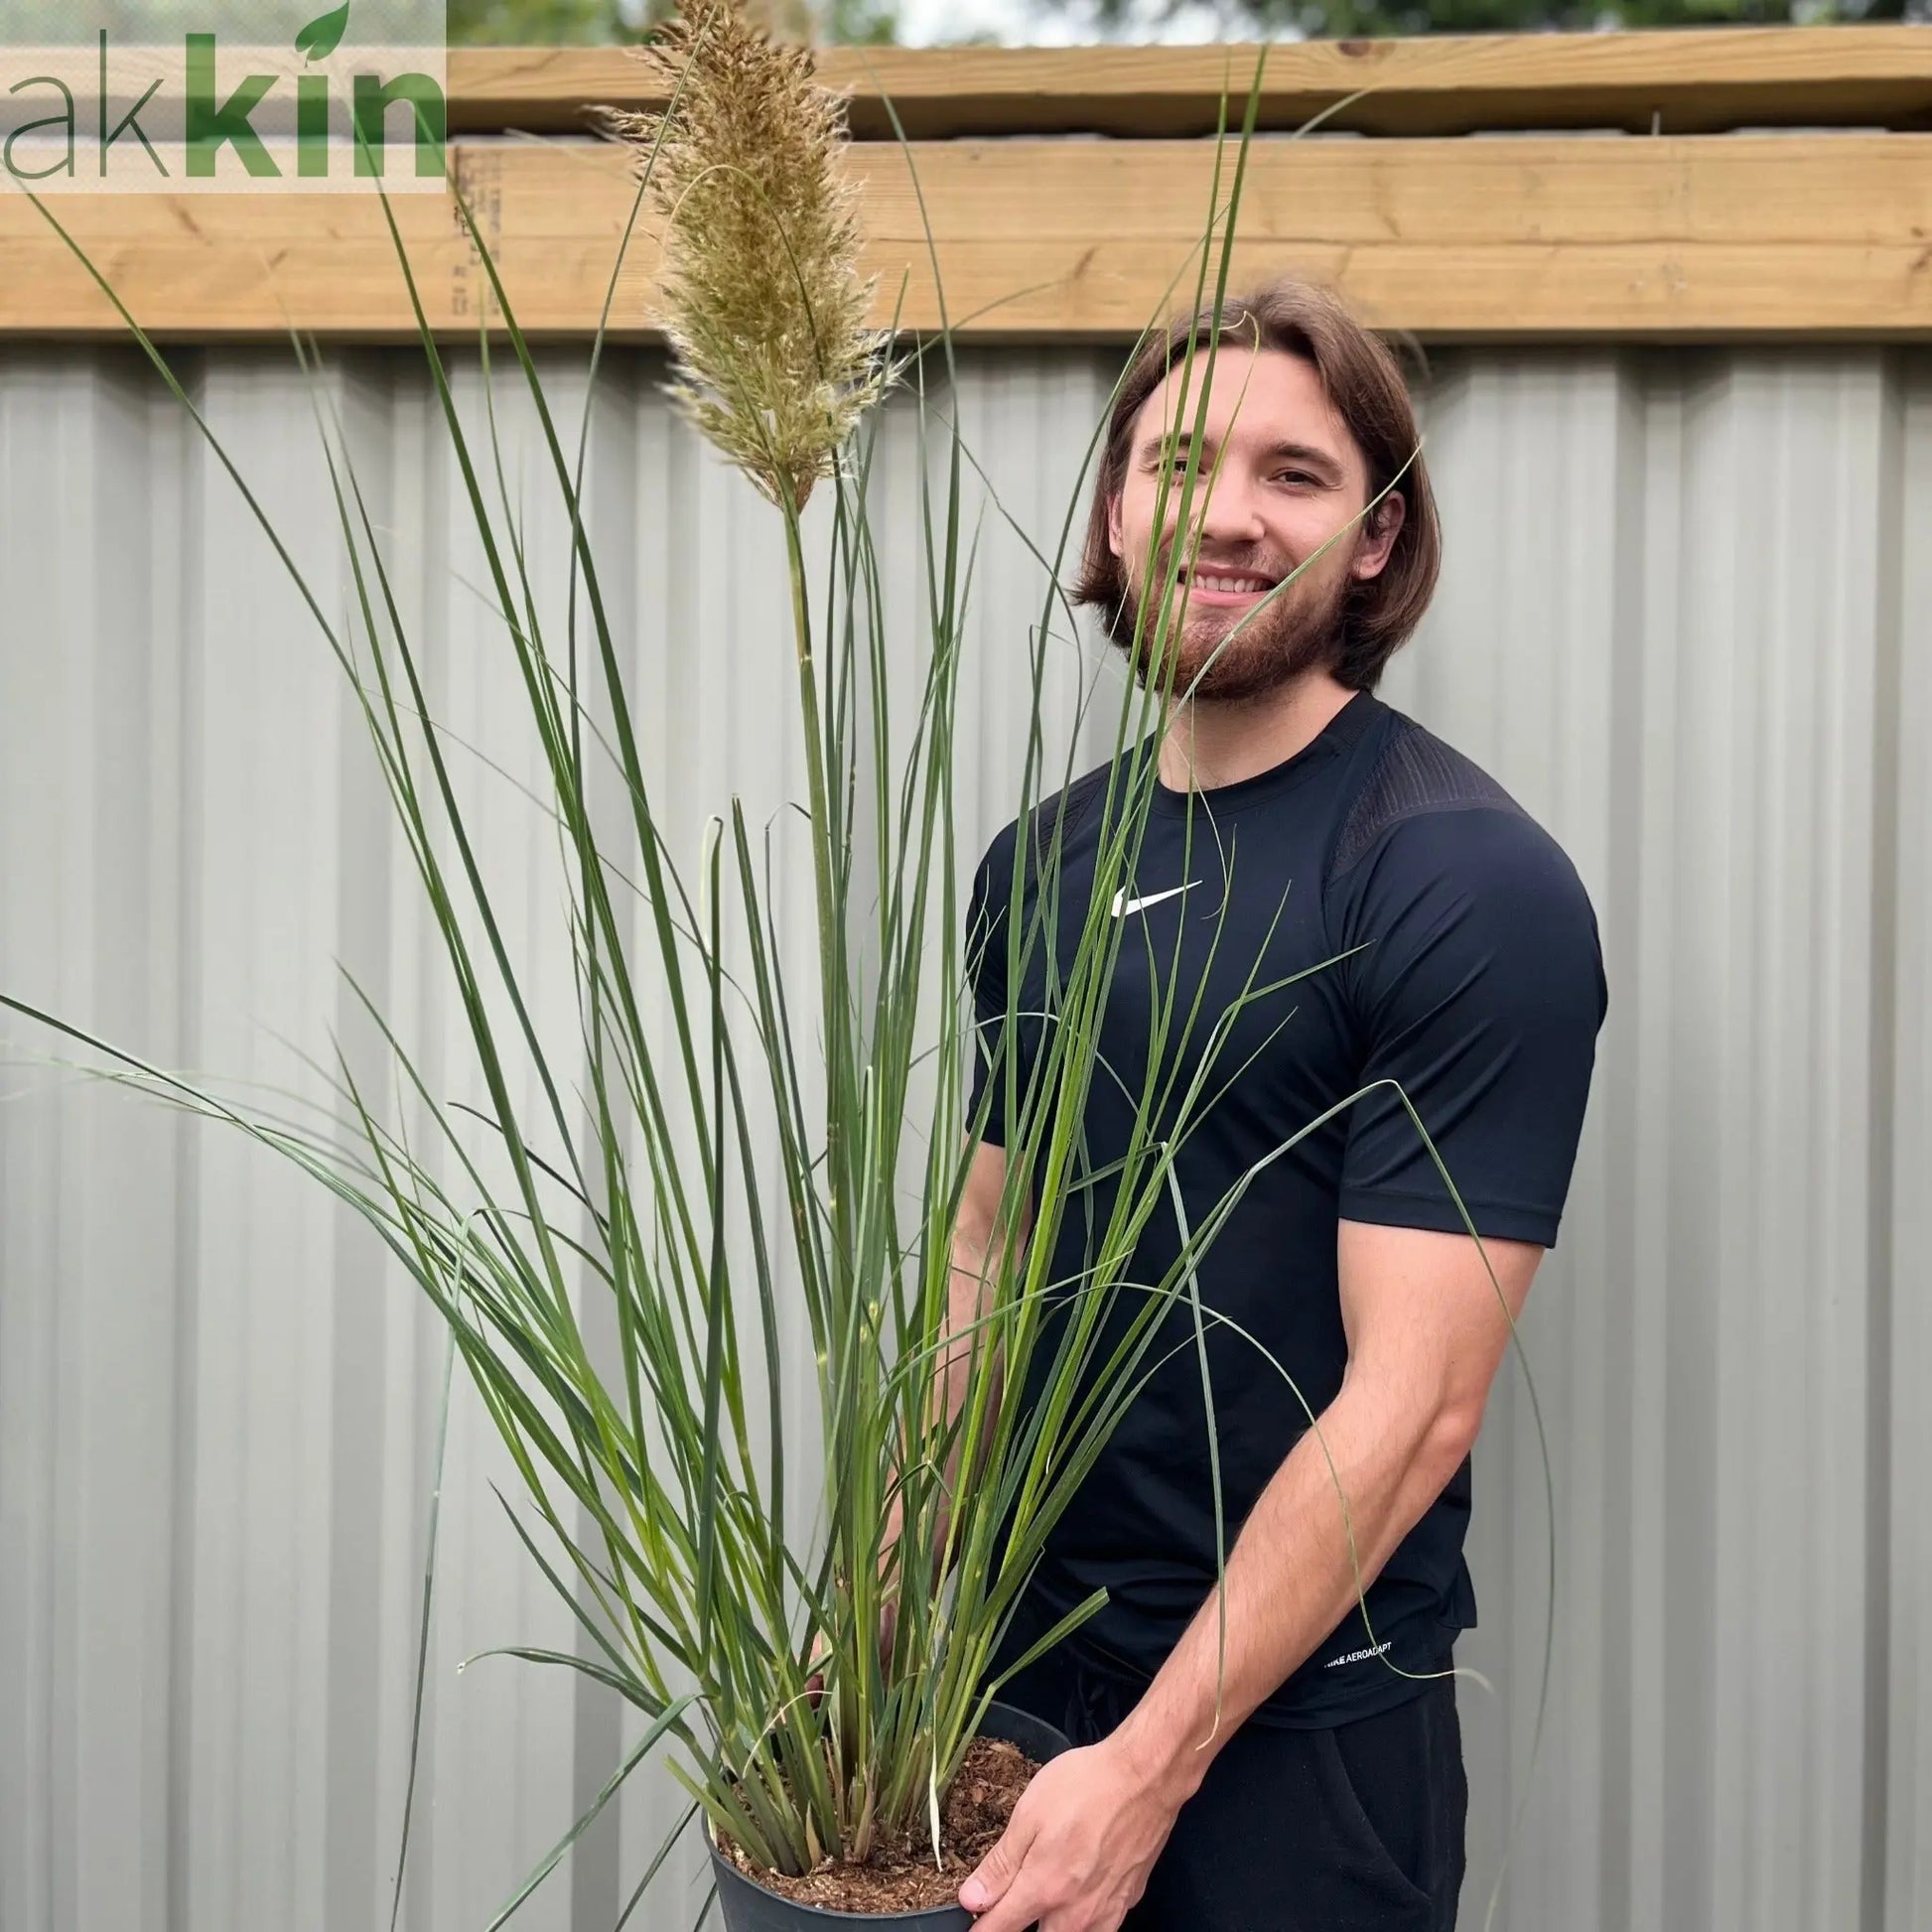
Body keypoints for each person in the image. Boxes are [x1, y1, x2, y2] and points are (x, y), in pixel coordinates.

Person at [949, 279, 1608, 1932]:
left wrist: (1147, 1767)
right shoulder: (1037, 863)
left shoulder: (1457, 875)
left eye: (1293, 475)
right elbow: (985, 1257)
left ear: (1375, 539)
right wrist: (881, 1618)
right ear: (1114, 509)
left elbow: (1412, 1411)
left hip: (1291, 1748)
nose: (1223, 516)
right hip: (1011, 1700)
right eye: (1176, 465)